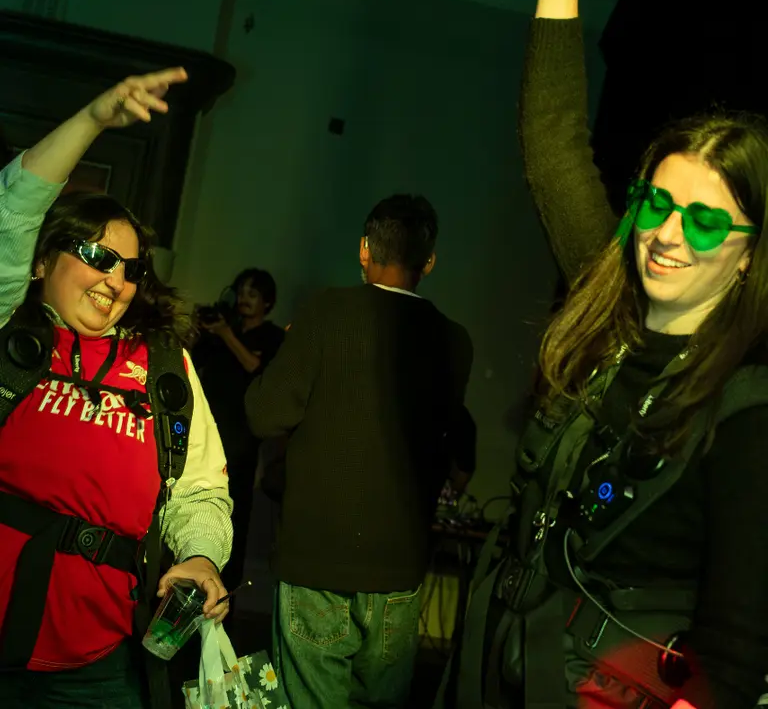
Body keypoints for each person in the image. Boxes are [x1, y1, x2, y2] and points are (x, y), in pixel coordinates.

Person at [439, 0, 768, 708]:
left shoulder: (747, 406)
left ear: (749, 254)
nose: (668, 234)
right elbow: (553, 143)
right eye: (657, 204)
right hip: (498, 663)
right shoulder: (608, 302)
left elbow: (735, 645)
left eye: (705, 220)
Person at [0, 68, 233, 708]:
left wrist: (202, 558)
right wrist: (93, 120)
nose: (117, 280)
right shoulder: (9, 332)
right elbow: (12, 211)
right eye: (97, 257)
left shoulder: (164, 368)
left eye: (131, 269)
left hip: (99, 667)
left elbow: (200, 490)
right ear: (41, 261)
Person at [245, 194, 474, 709]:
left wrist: (287, 350)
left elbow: (264, 415)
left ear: (365, 249)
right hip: (398, 569)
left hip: (317, 561)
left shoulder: (326, 313)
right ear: (429, 262)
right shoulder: (454, 341)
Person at [193, 268, 285, 597]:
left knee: (233, 518)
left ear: (267, 302)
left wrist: (226, 334)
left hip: (241, 442)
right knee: (197, 507)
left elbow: (256, 369)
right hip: (206, 431)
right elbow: (194, 361)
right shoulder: (222, 331)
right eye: (241, 292)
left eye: (253, 294)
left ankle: (224, 595)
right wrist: (204, 330)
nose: (244, 299)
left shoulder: (272, 338)